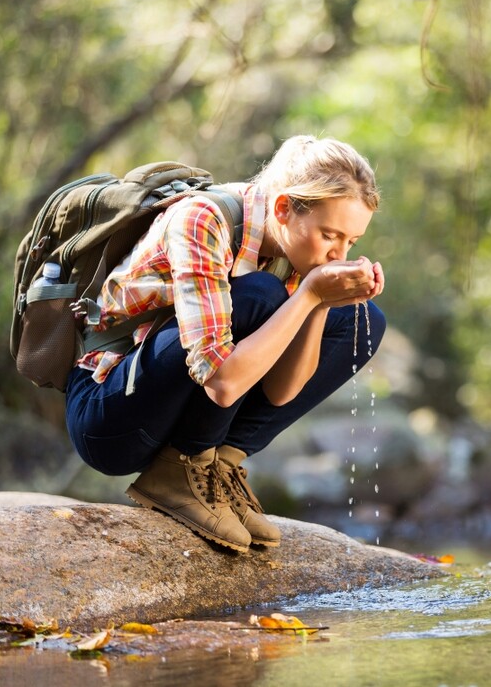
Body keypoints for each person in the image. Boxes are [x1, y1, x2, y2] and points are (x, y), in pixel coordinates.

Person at [64, 135, 386, 553]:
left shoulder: (288, 250)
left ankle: (218, 466)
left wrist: (322, 303)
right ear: (284, 208)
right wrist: (306, 295)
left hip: (171, 406)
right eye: (330, 235)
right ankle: (182, 468)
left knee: (361, 321)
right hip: (109, 416)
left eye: (351, 243)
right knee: (262, 296)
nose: (338, 254)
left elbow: (281, 392)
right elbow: (223, 383)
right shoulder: (203, 219)